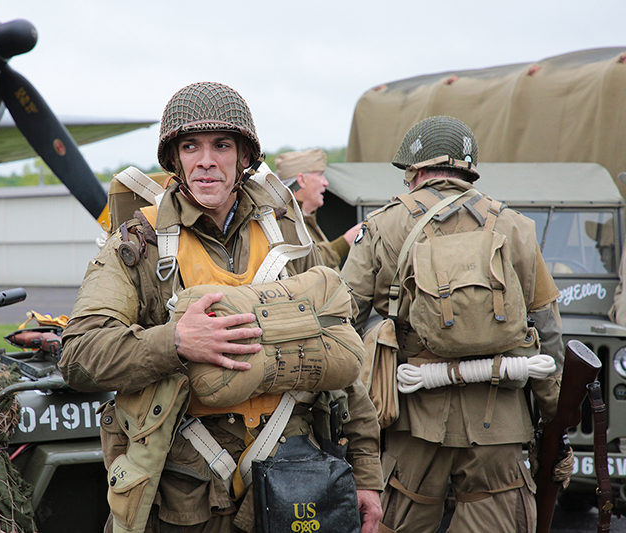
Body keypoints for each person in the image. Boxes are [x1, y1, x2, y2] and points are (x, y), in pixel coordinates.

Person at [59, 81, 383, 533]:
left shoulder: (288, 238)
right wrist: (175, 342)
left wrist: (367, 476)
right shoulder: (137, 245)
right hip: (186, 495)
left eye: (222, 145)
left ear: (245, 158)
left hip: (296, 480)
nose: (206, 160)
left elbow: (339, 352)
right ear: (174, 159)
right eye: (190, 146)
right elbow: (78, 355)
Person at [341, 116, 564, 532]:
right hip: (501, 423)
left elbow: (341, 328)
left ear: (415, 172)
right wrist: (553, 420)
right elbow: (548, 336)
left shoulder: (383, 226)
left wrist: (348, 424)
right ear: (469, 171)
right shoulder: (514, 226)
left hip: (410, 421)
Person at [275, 149, 362, 269]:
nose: (326, 183)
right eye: (320, 175)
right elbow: (304, 263)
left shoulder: (302, 217)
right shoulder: (285, 220)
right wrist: (346, 241)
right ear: (301, 180)